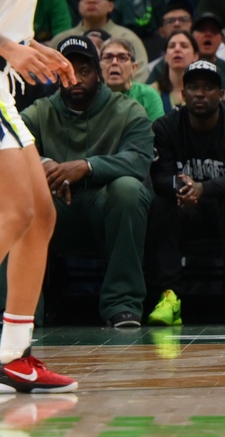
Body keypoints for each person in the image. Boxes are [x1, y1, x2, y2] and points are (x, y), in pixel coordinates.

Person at [0, 0, 78, 391]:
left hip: (2, 89)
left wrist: (36, 49)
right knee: (17, 211)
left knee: (40, 216)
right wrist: (11, 50)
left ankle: (13, 352)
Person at [21, 36, 153, 328]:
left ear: (98, 73)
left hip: (106, 210)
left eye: (84, 70)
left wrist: (87, 166)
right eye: (67, 70)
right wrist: (44, 165)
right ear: (56, 75)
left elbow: (139, 159)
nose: (76, 79)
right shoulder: (39, 112)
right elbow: (10, 148)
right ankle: (20, 313)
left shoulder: (129, 111)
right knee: (14, 200)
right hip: (53, 211)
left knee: (129, 189)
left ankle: (122, 306)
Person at [145, 60, 225, 326]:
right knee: (162, 203)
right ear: (182, 93)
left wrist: (203, 188)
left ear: (221, 94)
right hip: (184, 207)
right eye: (193, 87)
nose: (200, 93)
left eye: (208, 87)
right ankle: (168, 296)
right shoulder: (165, 127)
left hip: (224, 210)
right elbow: (158, 176)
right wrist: (180, 186)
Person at [51, 0, 149, 82]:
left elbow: (140, 75)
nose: (91, 0)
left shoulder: (128, 37)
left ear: (111, 5)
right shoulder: (61, 39)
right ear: (78, 5)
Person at [100, 37, 164, 121]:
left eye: (122, 57)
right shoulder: (92, 97)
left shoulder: (148, 95)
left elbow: (157, 132)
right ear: (99, 67)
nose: (114, 62)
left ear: (133, 68)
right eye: (108, 57)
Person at [154, 31, 201, 111]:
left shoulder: (203, 93)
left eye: (184, 46)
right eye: (172, 46)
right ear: (165, 56)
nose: (177, 49)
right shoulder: (152, 92)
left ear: (195, 56)